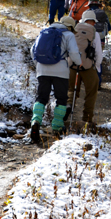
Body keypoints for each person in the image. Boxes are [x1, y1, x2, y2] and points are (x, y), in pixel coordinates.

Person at [29, 15, 81, 144]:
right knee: (61, 98)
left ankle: (35, 121)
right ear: (70, 27)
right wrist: (78, 62)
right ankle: (57, 126)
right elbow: (74, 53)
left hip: (42, 69)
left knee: (41, 97)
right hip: (60, 70)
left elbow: (33, 50)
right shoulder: (68, 35)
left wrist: (38, 64)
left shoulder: (45, 31)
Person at [68, 10, 104, 130]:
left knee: (71, 89)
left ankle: (67, 109)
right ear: (93, 21)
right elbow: (98, 53)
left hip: (72, 65)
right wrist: (96, 67)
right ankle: (87, 118)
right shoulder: (95, 33)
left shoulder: (74, 29)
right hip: (88, 66)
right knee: (91, 92)